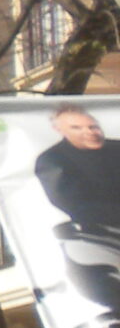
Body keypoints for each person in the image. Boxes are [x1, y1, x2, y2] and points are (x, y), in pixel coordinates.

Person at [34, 104, 120, 315]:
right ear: (60, 130)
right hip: (99, 233)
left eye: (93, 126)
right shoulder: (52, 160)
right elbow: (72, 201)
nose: (89, 132)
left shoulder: (117, 148)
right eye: (77, 128)